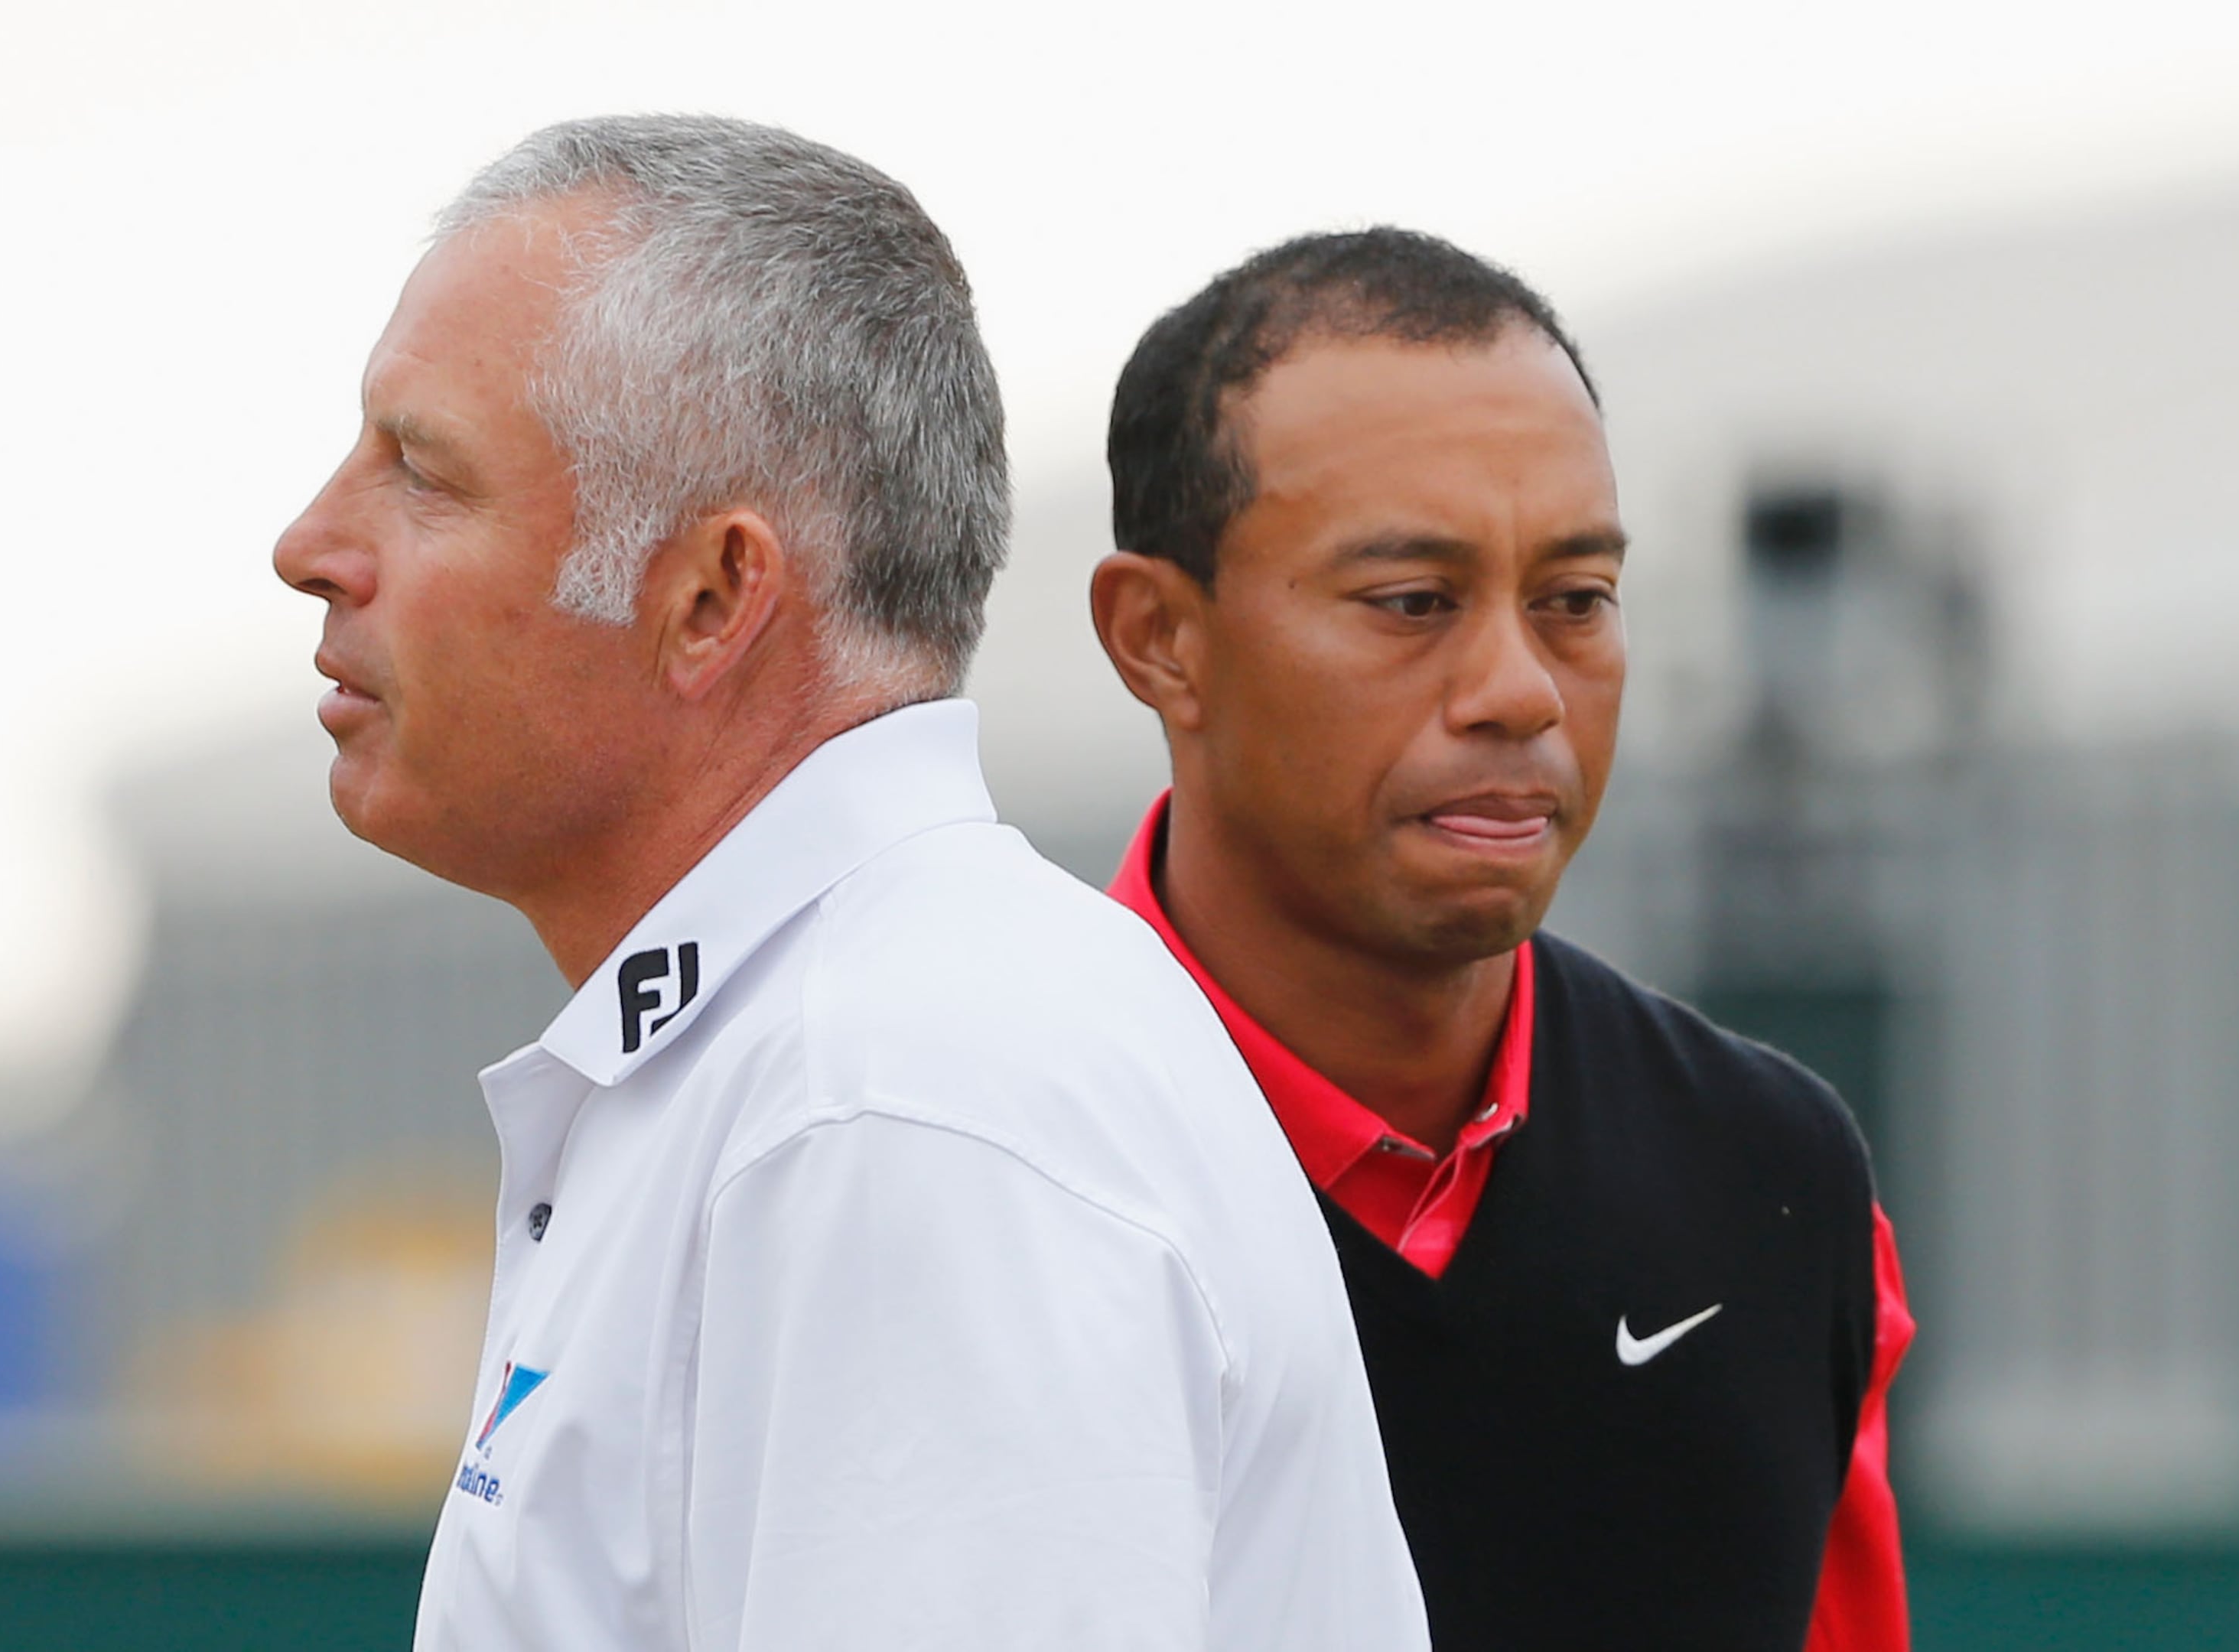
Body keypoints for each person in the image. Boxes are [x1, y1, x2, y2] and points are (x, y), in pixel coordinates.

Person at [272, 117, 1426, 1652]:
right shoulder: (848, 1053)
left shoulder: (897, 1097)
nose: (311, 544)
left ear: (711, 596)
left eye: (424, 474)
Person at [1089, 228, 1914, 1652]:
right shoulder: (946, 1157)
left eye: (1575, 600)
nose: (1521, 690)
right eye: (1413, 603)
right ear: (1161, 637)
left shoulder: (1774, 1173)